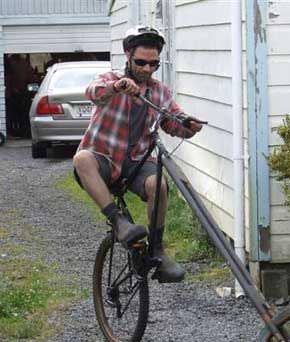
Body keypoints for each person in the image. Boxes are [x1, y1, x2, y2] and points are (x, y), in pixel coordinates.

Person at [72, 26, 204, 283]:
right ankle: (119, 223)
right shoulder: (110, 79)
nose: (147, 69)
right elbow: (93, 92)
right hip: (103, 160)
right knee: (81, 159)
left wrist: (189, 126)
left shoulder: (159, 91)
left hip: (135, 163)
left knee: (159, 184)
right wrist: (117, 86)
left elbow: (173, 121)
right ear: (128, 56)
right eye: (141, 62)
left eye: (153, 64)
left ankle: (157, 251)